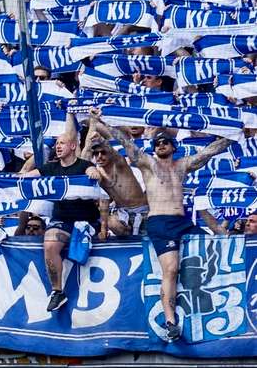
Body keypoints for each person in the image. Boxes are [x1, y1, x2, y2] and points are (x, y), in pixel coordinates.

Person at [91, 110, 233, 341]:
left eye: (166, 142)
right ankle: (170, 322)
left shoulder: (182, 165)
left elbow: (209, 152)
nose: (161, 145)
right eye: (157, 143)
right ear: (153, 147)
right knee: (171, 270)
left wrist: (236, 134)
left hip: (182, 222)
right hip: (160, 222)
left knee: (218, 247)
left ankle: (217, 300)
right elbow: (123, 140)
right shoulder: (147, 164)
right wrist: (100, 121)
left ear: (174, 147)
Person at [21, 116, 100, 313]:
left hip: (87, 222)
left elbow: (94, 172)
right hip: (62, 221)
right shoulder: (51, 168)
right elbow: (25, 179)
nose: (57, 147)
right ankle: (57, 291)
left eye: (62, 143)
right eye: (56, 144)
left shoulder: (83, 165)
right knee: (49, 244)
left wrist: (93, 173)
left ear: (73, 146)